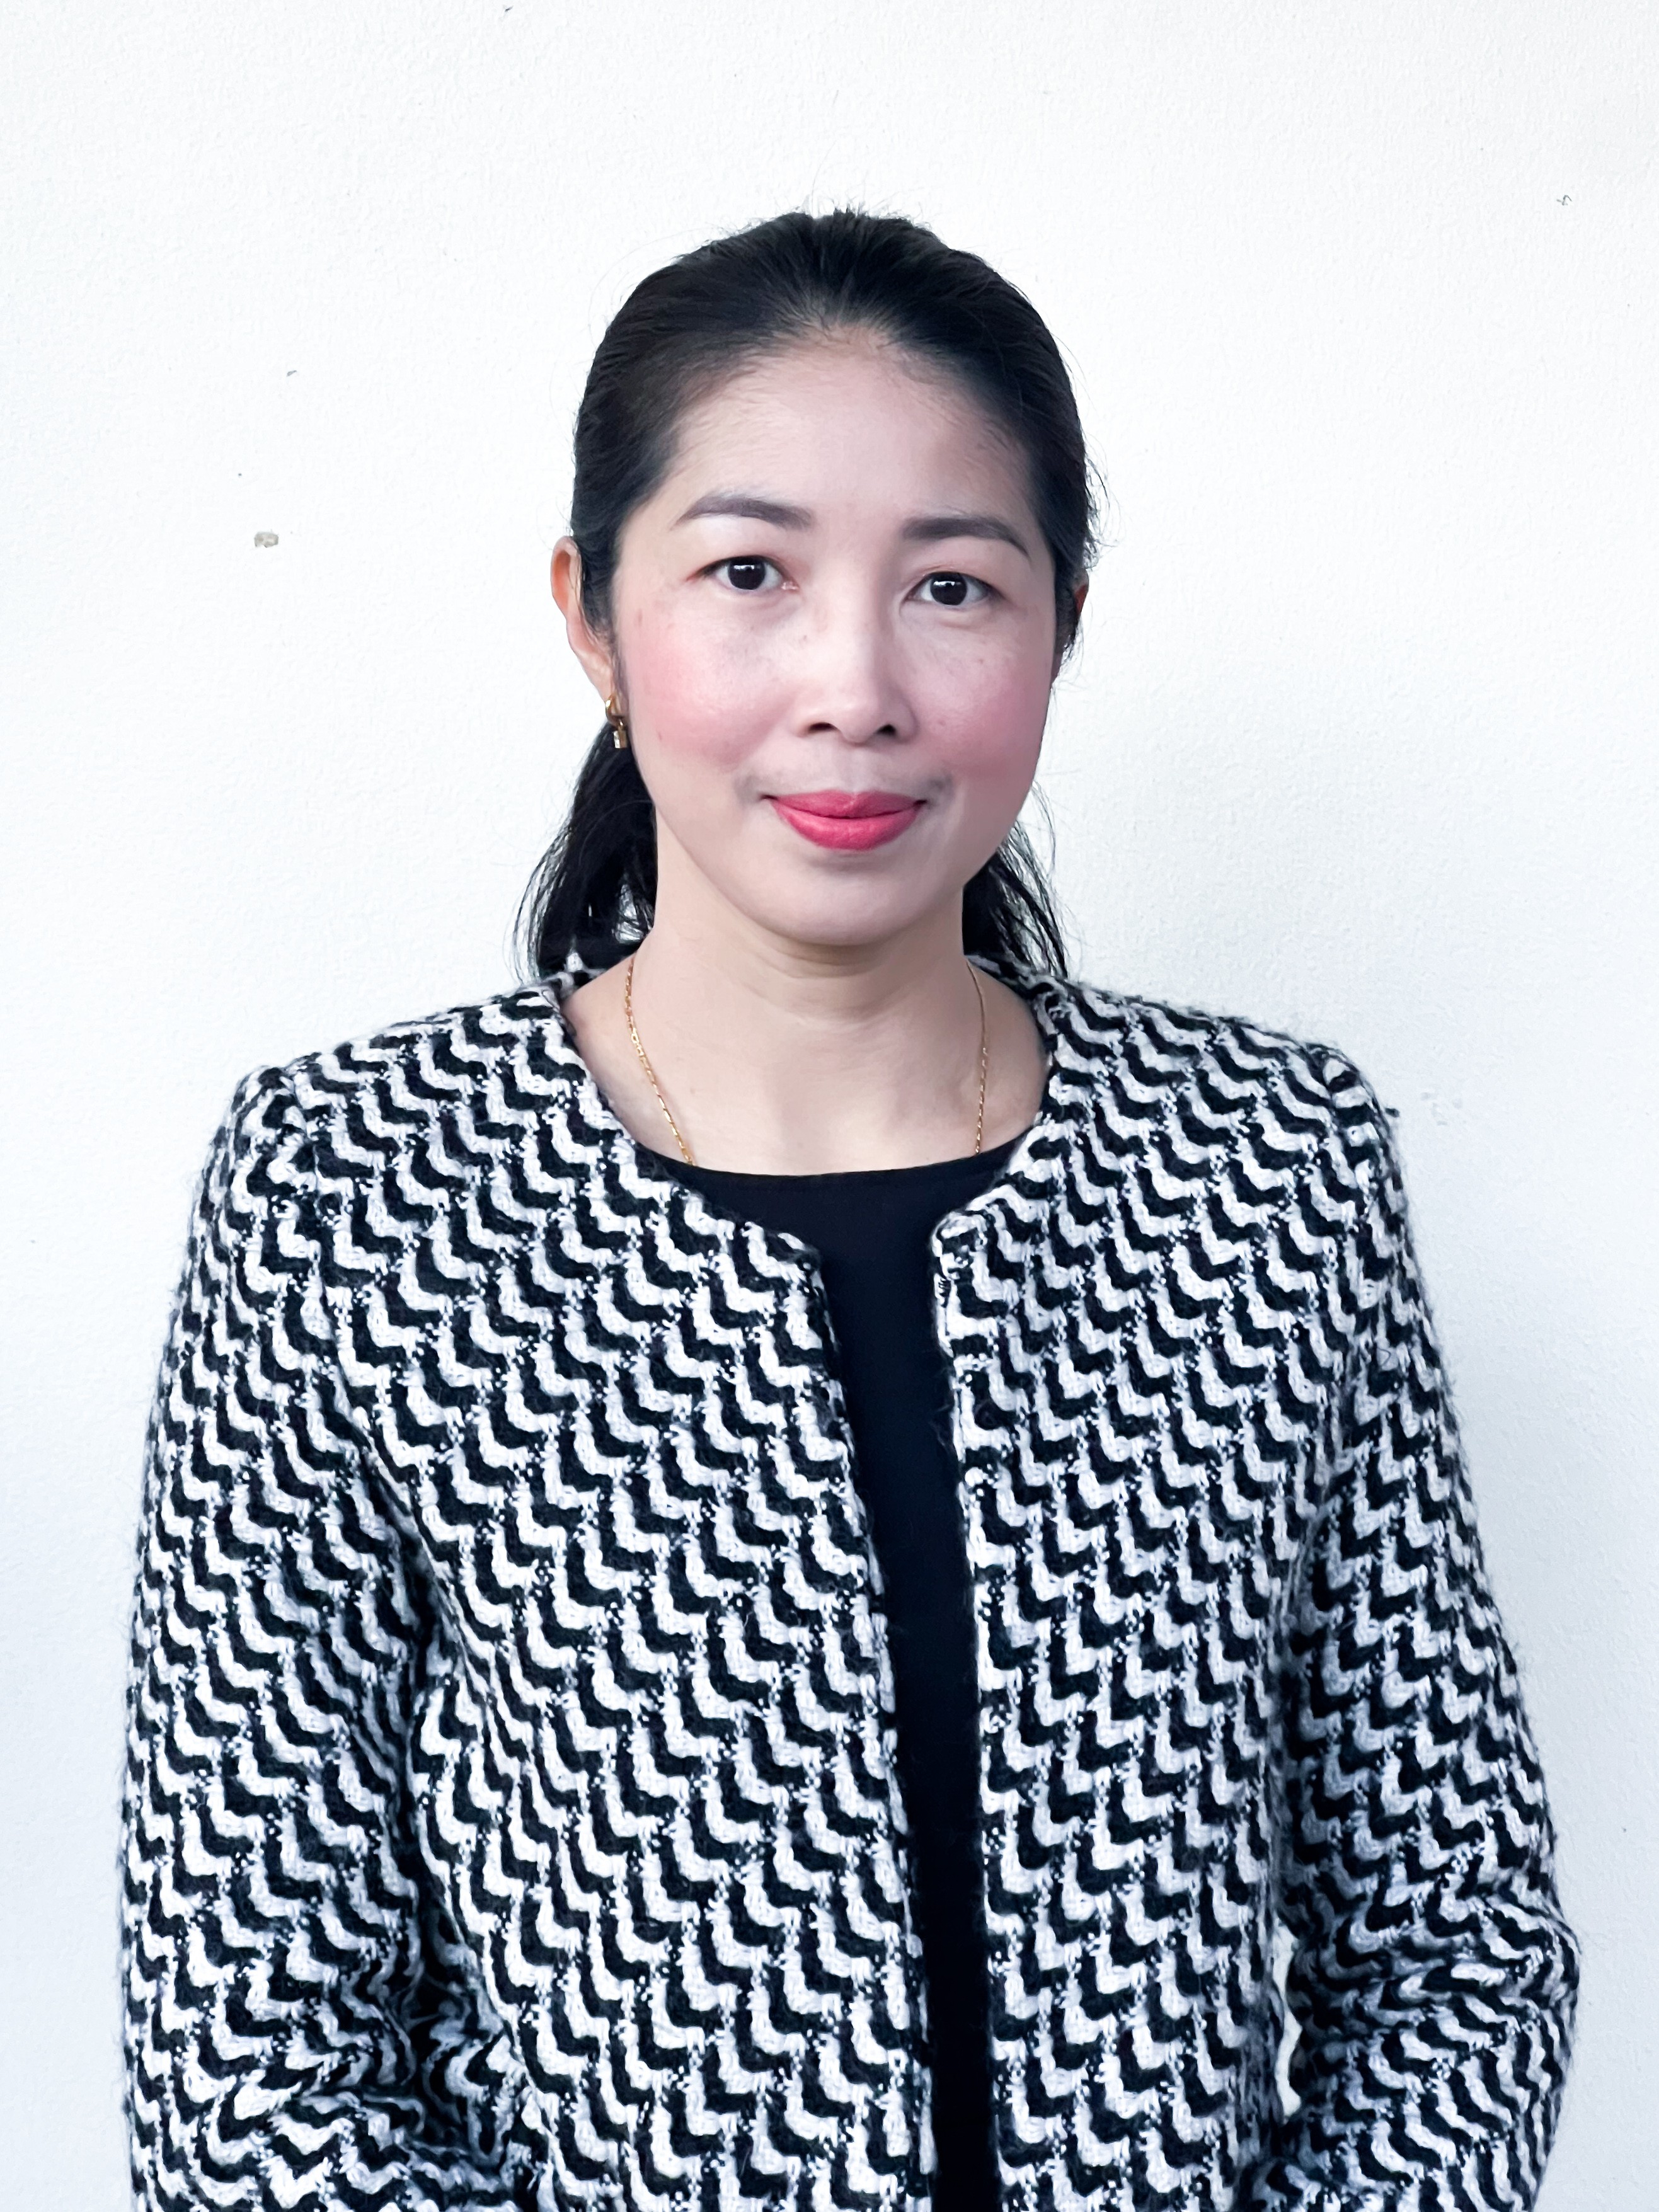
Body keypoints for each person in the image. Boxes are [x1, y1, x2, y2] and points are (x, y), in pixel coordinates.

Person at [120, 210, 1578, 2212]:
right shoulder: (350, 1191)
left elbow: (1452, 1954)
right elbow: (250, 2065)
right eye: (749, 574)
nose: (856, 686)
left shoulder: (1265, 1165)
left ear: (1060, 626)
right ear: (590, 618)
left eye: (952, 587)